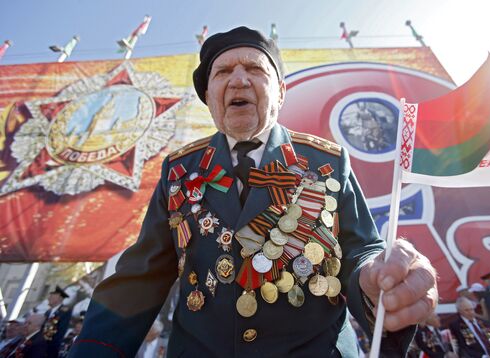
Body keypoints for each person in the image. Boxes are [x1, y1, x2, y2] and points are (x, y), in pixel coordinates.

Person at [69, 26, 437, 357]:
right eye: (223, 72)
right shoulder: (179, 170)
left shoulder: (326, 159)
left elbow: (360, 250)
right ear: (209, 95)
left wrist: (376, 278)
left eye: (255, 69)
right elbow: (142, 275)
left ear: (280, 92)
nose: (239, 80)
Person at [42, 285, 72, 357]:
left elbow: (60, 333)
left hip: (51, 350)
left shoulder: (65, 312)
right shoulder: (47, 312)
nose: (48, 299)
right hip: (41, 347)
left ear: (59, 298)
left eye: (51, 297)